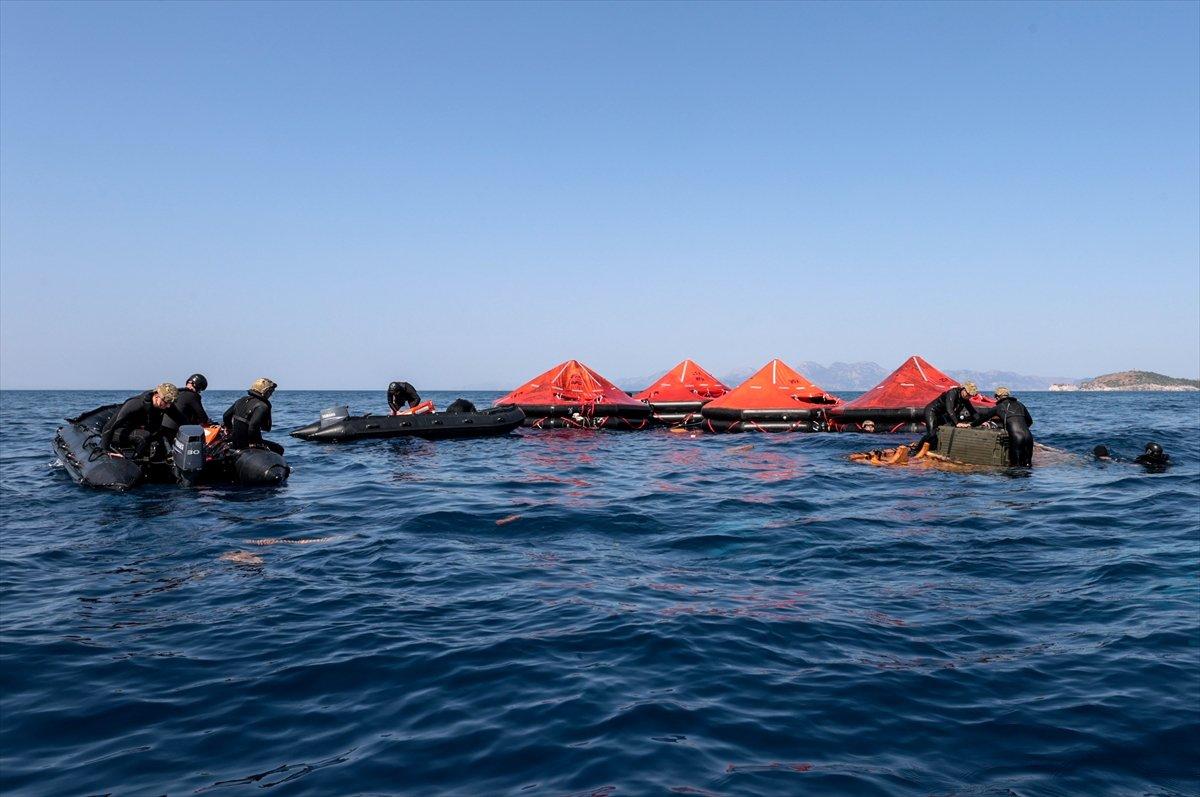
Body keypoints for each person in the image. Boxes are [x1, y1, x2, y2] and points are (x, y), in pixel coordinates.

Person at [101, 383, 185, 458]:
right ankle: (134, 459)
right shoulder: (135, 404)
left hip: (142, 429)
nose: (168, 406)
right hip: (120, 431)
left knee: (167, 432)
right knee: (144, 436)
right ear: (156, 396)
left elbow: (181, 419)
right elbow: (109, 427)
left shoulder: (165, 404)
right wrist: (105, 450)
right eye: (166, 402)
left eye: (170, 403)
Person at [910, 381, 981, 453]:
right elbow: (949, 409)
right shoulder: (952, 393)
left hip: (941, 414)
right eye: (968, 394)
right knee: (932, 433)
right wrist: (957, 423)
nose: (968, 397)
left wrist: (980, 421)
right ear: (963, 389)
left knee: (943, 431)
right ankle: (916, 450)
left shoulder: (965, 399)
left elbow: (972, 411)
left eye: (970, 396)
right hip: (932, 411)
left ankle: (933, 448)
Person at [972, 386, 1034, 467]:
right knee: (1028, 465)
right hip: (1029, 437)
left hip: (1016, 438)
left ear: (997, 397)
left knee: (1016, 467)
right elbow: (1030, 421)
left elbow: (982, 419)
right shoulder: (1020, 405)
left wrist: (971, 424)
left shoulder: (998, 407)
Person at [223, 378, 283, 453]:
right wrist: (255, 443)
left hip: (235, 442)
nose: (271, 394)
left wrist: (229, 428)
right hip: (248, 444)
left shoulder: (241, 400)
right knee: (279, 449)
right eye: (270, 391)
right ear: (264, 391)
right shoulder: (262, 406)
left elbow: (226, 416)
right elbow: (254, 426)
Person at [161, 373, 211, 440]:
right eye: (200, 390)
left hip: (162, 427)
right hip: (175, 432)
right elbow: (203, 417)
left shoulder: (177, 392)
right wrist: (209, 422)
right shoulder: (193, 395)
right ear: (198, 387)